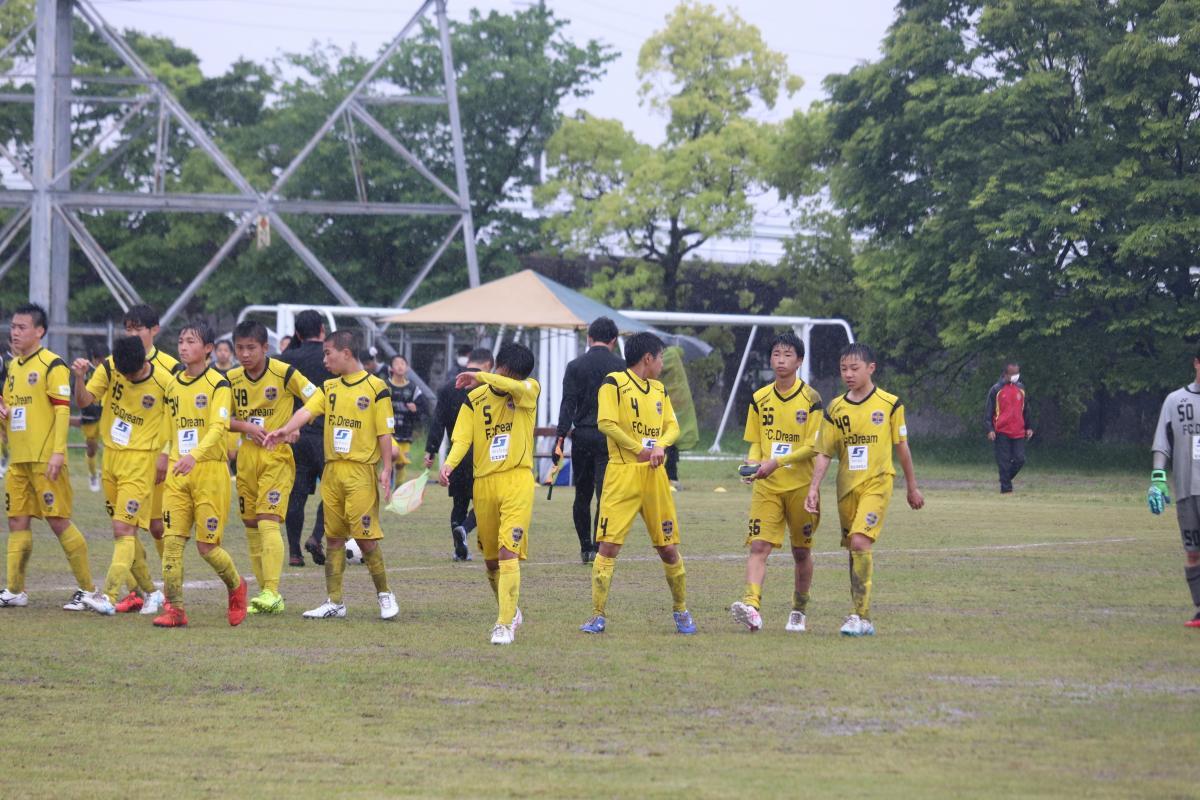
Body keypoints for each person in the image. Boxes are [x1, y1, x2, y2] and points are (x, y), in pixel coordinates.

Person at [265, 330, 398, 620]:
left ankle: (385, 595)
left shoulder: (376, 387)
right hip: (332, 471)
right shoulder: (329, 387)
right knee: (334, 538)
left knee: (365, 538)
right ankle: (334, 602)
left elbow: (384, 433)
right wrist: (285, 429)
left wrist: (387, 468)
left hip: (360, 471)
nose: (324, 359)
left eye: (328, 353)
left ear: (346, 353)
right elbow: (307, 411)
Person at [580, 332, 696, 635]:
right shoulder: (614, 383)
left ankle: (681, 609)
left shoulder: (659, 389)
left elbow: (672, 426)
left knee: (668, 548)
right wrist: (638, 449)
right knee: (608, 546)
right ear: (648, 358)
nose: (661, 365)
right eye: (660, 358)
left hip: (654, 477)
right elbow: (606, 423)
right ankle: (597, 615)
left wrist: (660, 446)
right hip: (622, 475)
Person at [805, 343, 925, 637]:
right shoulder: (835, 408)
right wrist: (813, 488)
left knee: (860, 542)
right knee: (853, 549)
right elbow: (824, 452)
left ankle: (861, 616)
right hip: (846, 488)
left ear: (871, 368)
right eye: (843, 369)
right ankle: (861, 614)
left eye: (854, 368)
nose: (848, 374)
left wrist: (912, 487)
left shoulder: (890, 404)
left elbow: (902, 447)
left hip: (878, 483)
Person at [0, 303, 98, 611]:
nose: (15, 332)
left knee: (58, 521)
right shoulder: (13, 367)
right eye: (13, 327)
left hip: (45, 458)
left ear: (39, 331)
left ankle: (88, 589)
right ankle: (15, 590)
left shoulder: (52, 364)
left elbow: (62, 410)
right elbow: (10, 407)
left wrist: (58, 452)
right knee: (16, 521)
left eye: (22, 327)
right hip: (19, 459)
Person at [440, 343, 539, 645]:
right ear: (499, 366)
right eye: (508, 373)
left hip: (517, 480)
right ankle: (511, 610)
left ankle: (504, 624)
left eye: (516, 377)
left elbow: (514, 386)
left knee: (509, 552)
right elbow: (462, 438)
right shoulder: (474, 398)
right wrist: (449, 464)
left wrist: (482, 376)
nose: (510, 381)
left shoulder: (528, 390)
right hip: (483, 483)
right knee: (492, 562)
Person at [152, 320, 248, 628]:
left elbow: (219, 427)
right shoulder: (172, 385)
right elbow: (168, 426)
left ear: (208, 349)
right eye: (181, 341)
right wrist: (164, 454)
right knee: (171, 543)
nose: (183, 347)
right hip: (178, 471)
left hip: (209, 471)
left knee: (207, 547)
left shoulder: (219, 384)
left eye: (191, 341)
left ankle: (236, 587)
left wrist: (194, 456)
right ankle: (175, 609)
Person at [729, 332, 824, 633]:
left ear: (799, 361)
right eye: (776, 354)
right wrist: (753, 463)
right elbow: (756, 441)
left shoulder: (812, 399)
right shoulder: (759, 398)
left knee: (801, 552)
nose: (780, 360)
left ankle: (799, 609)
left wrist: (777, 462)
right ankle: (752, 606)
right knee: (759, 546)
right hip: (767, 487)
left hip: (799, 487)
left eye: (787, 355)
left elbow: (813, 446)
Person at [73, 336, 173, 616]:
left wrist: (165, 454)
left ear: (144, 361)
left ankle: (108, 595)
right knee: (126, 532)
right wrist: (79, 378)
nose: (127, 378)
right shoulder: (109, 367)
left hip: (141, 462)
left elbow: (176, 421)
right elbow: (85, 401)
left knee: (122, 529)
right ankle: (152, 593)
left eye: (132, 374)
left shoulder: (165, 382)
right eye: (123, 374)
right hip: (111, 458)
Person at [228, 320, 319, 615]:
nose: (245, 354)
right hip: (246, 458)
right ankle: (264, 593)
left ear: (265, 347)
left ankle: (272, 591)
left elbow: (317, 397)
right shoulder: (230, 379)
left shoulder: (284, 372)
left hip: (276, 456)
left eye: (251, 348)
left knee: (268, 520)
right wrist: (245, 427)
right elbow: (217, 418)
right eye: (240, 348)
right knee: (252, 525)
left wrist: (293, 426)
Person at [555, 317, 624, 564]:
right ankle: (598, 544)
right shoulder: (621, 367)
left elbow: (568, 403)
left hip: (582, 436)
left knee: (582, 495)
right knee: (605, 495)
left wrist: (560, 436)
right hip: (610, 438)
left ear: (589, 338)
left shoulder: (575, 366)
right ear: (614, 340)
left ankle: (585, 546)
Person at [121, 303, 184, 576]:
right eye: (128, 329)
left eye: (138, 329)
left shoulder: (171, 367)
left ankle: (169, 578)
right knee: (126, 523)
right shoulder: (118, 362)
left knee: (157, 526)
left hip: (158, 456)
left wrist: (166, 452)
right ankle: (139, 587)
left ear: (154, 330)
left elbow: (178, 414)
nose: (133, 334)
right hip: (125, 457)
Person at [1147, 346, 1200, 628]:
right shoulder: (1175, 400)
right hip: (1186, 491)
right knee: (1193, 551)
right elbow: (1162, 442)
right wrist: (1158, 479)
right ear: (1196, 363)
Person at [425, 347, 494, 561]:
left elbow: (438, 421)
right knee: (486, 501)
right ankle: (465, 528)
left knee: (459, 503)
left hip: (457, 455)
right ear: (488, 365)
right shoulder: (490, 386)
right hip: (483, 455)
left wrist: (431, 449)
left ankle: (458, 546)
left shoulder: (448, 388)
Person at [278, 309, 332, 566]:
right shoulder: (331, 356)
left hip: (295, 434)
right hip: (325, 435)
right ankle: (316, 536)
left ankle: (294, 552)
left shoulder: (285, 360)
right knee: (333, 492)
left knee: (296, 495)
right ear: (322, 330)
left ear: (297, 333)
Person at [985, 361, 1033, 494]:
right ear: (1005, 374)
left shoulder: (1021, 388)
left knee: (1020, 459)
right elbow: (988, 412)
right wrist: (990, 429)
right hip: (1001, 432)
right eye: (1013, 373)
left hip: (1018, 431)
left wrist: (1029, 427)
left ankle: (1004, 478)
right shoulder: (996, 389)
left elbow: (1026, 410)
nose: (1016, 376)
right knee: (1004, 461)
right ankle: (1006, 490)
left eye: (1017, 373)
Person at [385, 354, 427, 486]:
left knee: (401, 464)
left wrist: (415, 409)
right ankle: (388, 486)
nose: (400, 366)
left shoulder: (413, 389)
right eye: (397, 363)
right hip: (388, 432)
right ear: (391, 368)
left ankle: (398, 491)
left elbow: (423, 410)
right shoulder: (385, 386)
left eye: (403, 363)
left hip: (405, 433)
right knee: (391, 458)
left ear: (407, 367)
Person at [79, 348, 105, 492]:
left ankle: (108, 472)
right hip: (89, 416)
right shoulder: (86, 370)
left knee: (112, 446)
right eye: (99, 360)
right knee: (91, 449)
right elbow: (78, 391)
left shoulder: (109, 370)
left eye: (104, 360)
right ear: (94, 359)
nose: (101, 362)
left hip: (106, 415)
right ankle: (93, 474)